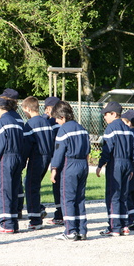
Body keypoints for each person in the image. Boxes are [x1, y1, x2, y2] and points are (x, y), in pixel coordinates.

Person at [50, 101, 90, 241]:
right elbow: (88, 150)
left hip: (70, 164)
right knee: (80, 198)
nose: (55, 121)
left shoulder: (64, 130)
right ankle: (82, 230)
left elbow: (59, 152)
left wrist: (54, 169)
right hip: (83, 164)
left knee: (68, 198)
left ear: (62, 116)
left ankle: (70, 231)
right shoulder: (82, 128)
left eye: (56, 118)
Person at [96, 101, 134, 236]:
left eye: (106, 114)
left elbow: (108, 149)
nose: (104, 117)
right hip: (127, 164)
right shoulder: (128, 129)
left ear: (113, 114)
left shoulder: (111, 128)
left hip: (116, 163)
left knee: (113, 195)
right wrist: (131, 167)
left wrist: (100, 164)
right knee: (123, 196)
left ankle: (114, 227)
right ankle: (125, 226)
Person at [0, 98, 23, 234]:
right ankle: (13, 222)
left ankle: (5, 224)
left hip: (6, 158)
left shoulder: (1, 122)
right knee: (14, 190)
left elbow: (0, 144)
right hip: (17, 157)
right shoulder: (17, 121)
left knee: (3, 190)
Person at [21, 96, 54, 230]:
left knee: (30, 186)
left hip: (37, 157)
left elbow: (27, 146)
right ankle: (38, 208)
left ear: (28, 109)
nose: (24, 113)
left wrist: (22, 162)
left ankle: (35, 219)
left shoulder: (30, 124)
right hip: (47, 157)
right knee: (34, 184)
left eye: (24, 110)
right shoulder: (46, 122)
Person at [0, 88, 25, 218]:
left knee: (5, 187)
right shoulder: (19, 117)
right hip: (18, 154)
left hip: (7, 156)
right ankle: (16, 211)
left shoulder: (5, 118)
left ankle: (6, 218)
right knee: (16, 185)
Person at [42, 96, 64, 226]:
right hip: (66, 158)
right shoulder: (65, 121)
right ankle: (63, 213)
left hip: (56, 157)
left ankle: (59, 214)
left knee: (57, 186)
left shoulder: (51, 122)